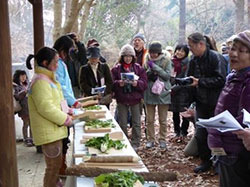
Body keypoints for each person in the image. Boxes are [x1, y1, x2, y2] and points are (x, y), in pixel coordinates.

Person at [208, 30, 250, 187]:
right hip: (222, 147)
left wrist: (216, 125)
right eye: (233, 48)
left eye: (242, 51)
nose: (234, 54)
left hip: (235, 152)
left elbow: (245, 119)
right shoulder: (234, 76)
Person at [26, 47, 72, 187]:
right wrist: (65, 119)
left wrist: (67, 110)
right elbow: (46, 108)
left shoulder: (47, 78)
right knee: (52, 168)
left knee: (55, 167)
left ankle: (56, 184)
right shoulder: (41, 81)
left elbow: (56, 101)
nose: (57, 65)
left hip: (53, 130)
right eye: (56, 61)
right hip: (49, 132)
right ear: (46, 63)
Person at [187, 32, 227, 173]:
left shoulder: (216, 58)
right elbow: (190, 79)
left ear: (201, 44)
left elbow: (221, 79)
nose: (190, 49)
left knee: (216, 134)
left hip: (216, 102)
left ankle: (219, 161)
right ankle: (205, 161)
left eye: (192, 46)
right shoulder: (193, 60)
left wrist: (201, 82)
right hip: (200, 102)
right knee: (201, 133)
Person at [53, 35, 82, 175]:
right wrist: (73, 101)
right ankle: (60, 167)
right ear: (63, 49)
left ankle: (62, 165)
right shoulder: (56, 63)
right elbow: (61, 86)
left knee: (65, 135)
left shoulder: (62, 63)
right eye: (70, 50)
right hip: (59, 103)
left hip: (65, 103)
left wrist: (72, 101)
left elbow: (67, 86)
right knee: (62, 137)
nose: (71, 53)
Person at [111, 44, 147, 151]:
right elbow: (111, 83)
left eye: (130, 56)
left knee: (136, 122)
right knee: (122, 122)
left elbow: (144, 83)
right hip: (122, 99)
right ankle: (124, 141)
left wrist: (137, 83)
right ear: (122, 57)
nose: (127, 58)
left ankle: (136, 142)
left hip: (135, 99)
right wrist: (119, 83)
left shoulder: (138, 68)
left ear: (133, 57)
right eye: (125, 56)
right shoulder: (116, 69)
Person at [144, 41, 172, 149]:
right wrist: (149, 74)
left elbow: (167, 76)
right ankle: (150, 139)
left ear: (159, 52)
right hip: (149, 92)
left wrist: (155, 68)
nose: (153, 55)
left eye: (155, 53)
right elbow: (143, 73)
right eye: (151, 52)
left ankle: (162, 139)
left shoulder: (166, 60)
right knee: (149, 119)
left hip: (163, 93)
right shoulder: (146, 59)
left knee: (163, 119)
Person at [169, 44, 190, 137]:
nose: (179, 53)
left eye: (182, 51)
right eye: (178, 50)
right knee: (175, 112)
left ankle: (184, 131)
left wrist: (176, 87)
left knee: (184, 111)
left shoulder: (187, 63)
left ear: (186, 53)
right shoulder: (171, 62)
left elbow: (186, 78)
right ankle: (176, 131)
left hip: (184, 91)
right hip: (172, 90)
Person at [13, 70, 33, 147]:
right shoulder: (16, 86)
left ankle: (32, 138)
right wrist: (24, 92)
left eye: (24, 76)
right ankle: (26, 139)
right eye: (22, 76)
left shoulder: (27, 84)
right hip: (24, 109)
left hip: (30, 107)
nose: (24, 78)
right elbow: (17, 97)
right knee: (26, 123)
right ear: (18, 77)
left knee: (31, 124)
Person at [66, 33, 88, 98]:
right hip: (68, 84)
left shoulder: (75, 54)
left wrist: (78, 42)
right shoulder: (63, 55)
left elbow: (83, 54)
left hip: (76, 84)